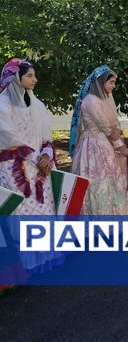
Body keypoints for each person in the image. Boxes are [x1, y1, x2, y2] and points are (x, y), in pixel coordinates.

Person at [0, 59, 61, 271]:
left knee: (43, 209)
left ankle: (44, 258)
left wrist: (47, 154)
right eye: (29, 76)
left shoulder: (38, 105)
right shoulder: (2, 105)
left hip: (39, 169)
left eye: (34, 75)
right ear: (16, 78)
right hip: (13, 168)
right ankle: (25, 265)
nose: (35, 80)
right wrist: (39, 158)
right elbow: (10, 138)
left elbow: (46, 136)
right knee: (21, 211)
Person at [69, 65, 128, 215]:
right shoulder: (91, 101)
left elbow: (113, 126)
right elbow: (106, 127)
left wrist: (118, 142)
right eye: (111, 82)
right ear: (100, 82)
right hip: (94, 145)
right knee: (98, 182)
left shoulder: (104, 99)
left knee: (112, 181)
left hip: (105, 143)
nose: (114, 85)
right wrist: (120, 146)